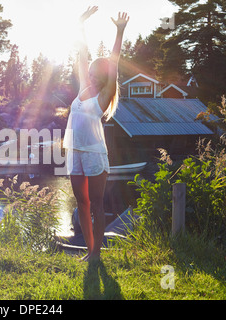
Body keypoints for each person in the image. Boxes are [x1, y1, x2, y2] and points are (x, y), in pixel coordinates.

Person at [63, 6, 129, 262]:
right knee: (82, 203)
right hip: (74, 152)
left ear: (103, 78)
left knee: (97, 204)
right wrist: (80, 23)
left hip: (94, 154)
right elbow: (82, 53)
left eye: (94, 74)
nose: (89, 76)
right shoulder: (83, 88)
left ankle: (95, 253)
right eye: (88, 73)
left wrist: (119, 33)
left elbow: (114, 62)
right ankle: (90, 249)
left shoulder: (103, 96)